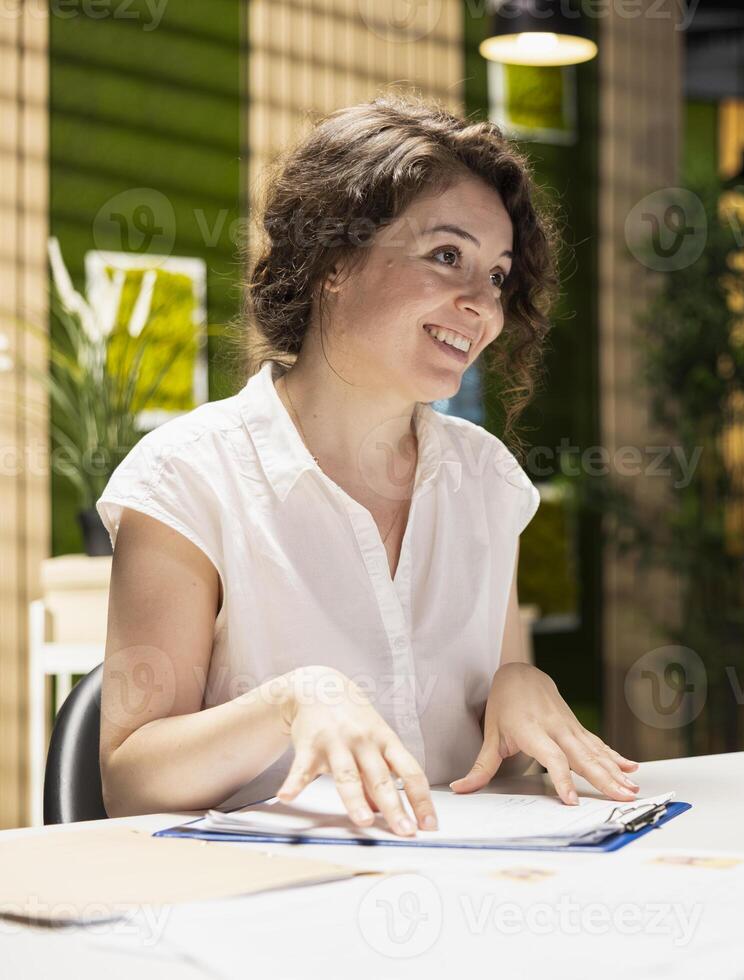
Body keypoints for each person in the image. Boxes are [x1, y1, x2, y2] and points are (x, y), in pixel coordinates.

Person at [97, 96, 638, 837]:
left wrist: (520, 681)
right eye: (447, 256)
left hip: (470, 893)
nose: (480, 302)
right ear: (334, 262)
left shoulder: (485, 478)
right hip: (269, 911)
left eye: (496, 276)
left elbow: (496, 704)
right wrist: (291, 701)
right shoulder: (188, 478)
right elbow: (130, 779)